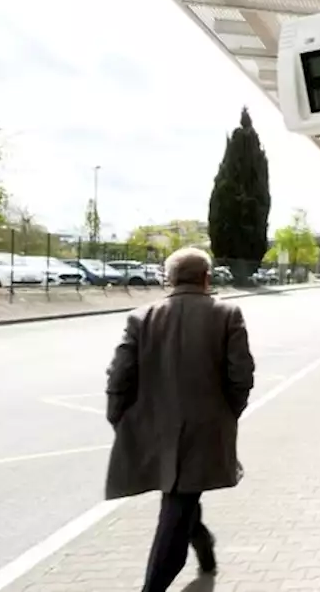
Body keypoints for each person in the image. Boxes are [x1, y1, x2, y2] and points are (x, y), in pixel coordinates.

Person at [104, 247, 256, 592]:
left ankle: (166, 577)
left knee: (178, 496)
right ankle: (195, 553)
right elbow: (241, 376)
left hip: (156, 428)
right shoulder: (228, 314)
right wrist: (227, 413)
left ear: (169, 279)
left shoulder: (141, 317)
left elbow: (119, 376)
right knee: (181, 496)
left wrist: (122, 421)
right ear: (207, 277)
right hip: (206, 428)